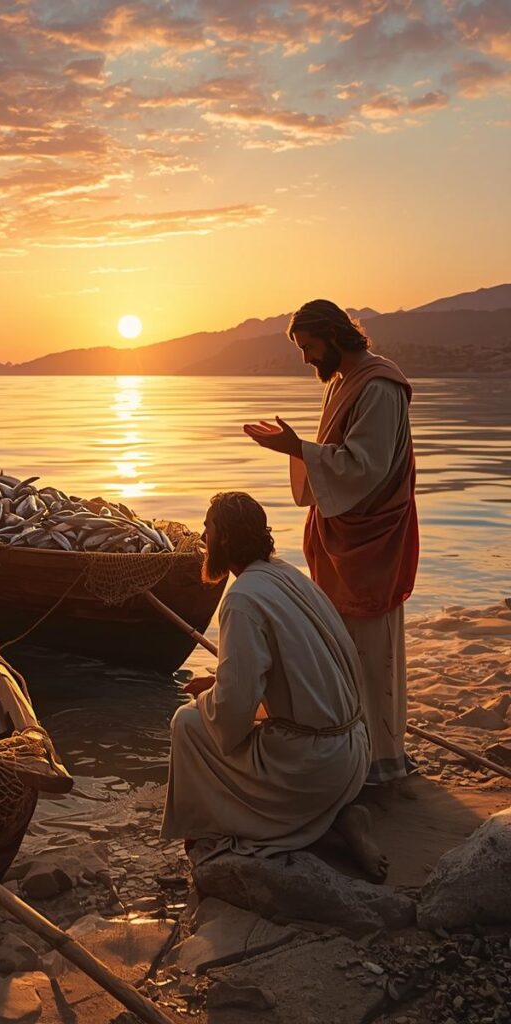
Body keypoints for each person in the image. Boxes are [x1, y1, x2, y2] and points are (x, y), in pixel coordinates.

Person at [161, 491, 386, 880]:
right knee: (233, 715)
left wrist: (210, 699)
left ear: (226, 538)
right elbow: (294, 672)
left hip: (314, 767)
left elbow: (232, 713)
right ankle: (336, 817)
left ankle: (209, 834)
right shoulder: (287, 574)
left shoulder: (242, 599)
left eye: (208, 528)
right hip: (354, 753)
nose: (202, 536)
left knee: (187, 724)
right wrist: (217, 684)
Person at [243, 300, 418, 786]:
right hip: (346, 537)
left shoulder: (379, 385)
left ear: (336, 334)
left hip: (372, 542)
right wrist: (299, 449)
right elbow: (340, 463)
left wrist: (297, 448)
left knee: (371, 649)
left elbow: (366, 467)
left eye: (309, 346)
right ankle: (348, 752)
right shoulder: (344, 381)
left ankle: (380, 760)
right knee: (341, 648)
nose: (305, 358)